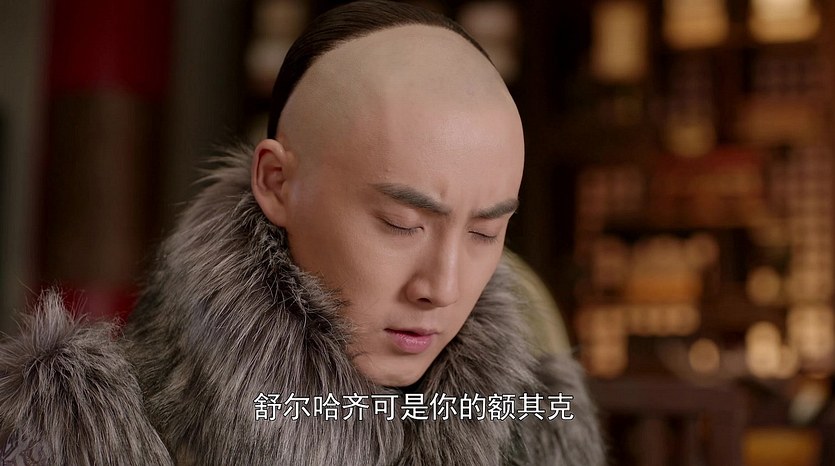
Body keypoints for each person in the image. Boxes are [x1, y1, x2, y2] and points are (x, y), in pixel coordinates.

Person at [0, 1, 605, 464]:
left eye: (485, 232)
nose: (442, 287)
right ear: (277, 182)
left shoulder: (535, 428)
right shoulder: (81, 433)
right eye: (401, 224)